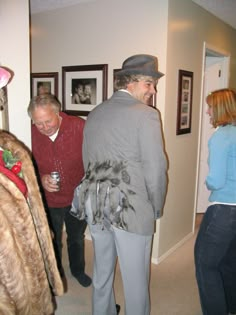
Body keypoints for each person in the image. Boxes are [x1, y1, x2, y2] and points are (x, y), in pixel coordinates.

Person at [71, 54, 168, 315]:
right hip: (131, 207)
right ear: (132, 82)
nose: (153, 90)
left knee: (102, 270)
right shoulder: (147, 115)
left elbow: (86, 159)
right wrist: (156, 207)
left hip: (95, 203)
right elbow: (156, 168)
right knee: (135, 280)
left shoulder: (95, 112)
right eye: (149, 83)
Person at [27, 94, 92, 287]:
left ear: (58, 112)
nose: (44, 128)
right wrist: (41, 178)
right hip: (49, 199)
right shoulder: (29, 133)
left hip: (76, 196)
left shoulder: (79, 126)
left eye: (48, 121)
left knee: (76, 238)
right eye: (39, 124)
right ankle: (55, 274)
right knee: (51, 238)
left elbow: (93, 156)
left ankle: (77, 270)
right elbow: (25, 165)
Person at [194, 88, 236, 315]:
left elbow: (217, 180)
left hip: (223, 212)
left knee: (205, 265)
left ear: (220, 108)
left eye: (210, 106)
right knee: (230, 263)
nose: (208, 111)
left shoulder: (221, 136)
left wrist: (208, 183)